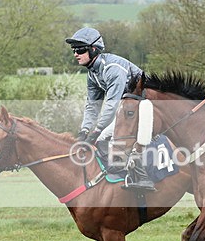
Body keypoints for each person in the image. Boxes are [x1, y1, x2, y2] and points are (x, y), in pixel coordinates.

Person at [65, 27, 155, 191]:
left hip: (147, 106)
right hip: (128, 110)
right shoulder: (93, 74)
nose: (75, 54)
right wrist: (84, 131)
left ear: (93, 49)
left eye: (80, 49)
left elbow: (112, 105)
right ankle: (121, 171)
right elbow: (92, 105)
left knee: (106, 135)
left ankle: (143, 177)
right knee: (101, 138)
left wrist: (96, 131)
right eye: (74, 50)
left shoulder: (112, 68)